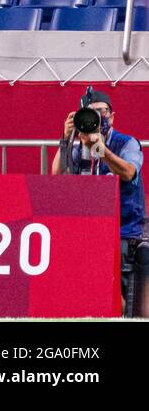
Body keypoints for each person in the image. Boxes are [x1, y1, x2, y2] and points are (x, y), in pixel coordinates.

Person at [51, 87, 146, 316]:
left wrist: (101, 150)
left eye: (102, 112)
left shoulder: (126, 143)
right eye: (90, 113)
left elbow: (129, 172)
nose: (98, 118)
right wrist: (66, 139)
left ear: (112, 116)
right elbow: (55, 176)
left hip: (121, 230)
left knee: (115, 295)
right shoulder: (79, 147)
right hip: (87, 231)